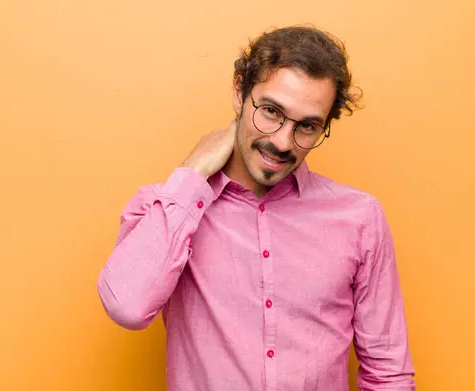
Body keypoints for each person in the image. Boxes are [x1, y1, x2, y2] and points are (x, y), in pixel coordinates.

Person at [97, 25, 416, 391]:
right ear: (239, 91)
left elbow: (388, 375)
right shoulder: (169, 206)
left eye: (307, 126)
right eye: (270, 111)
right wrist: (192, 172)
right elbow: (126, 306)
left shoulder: (360, 218)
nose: (281, 141)